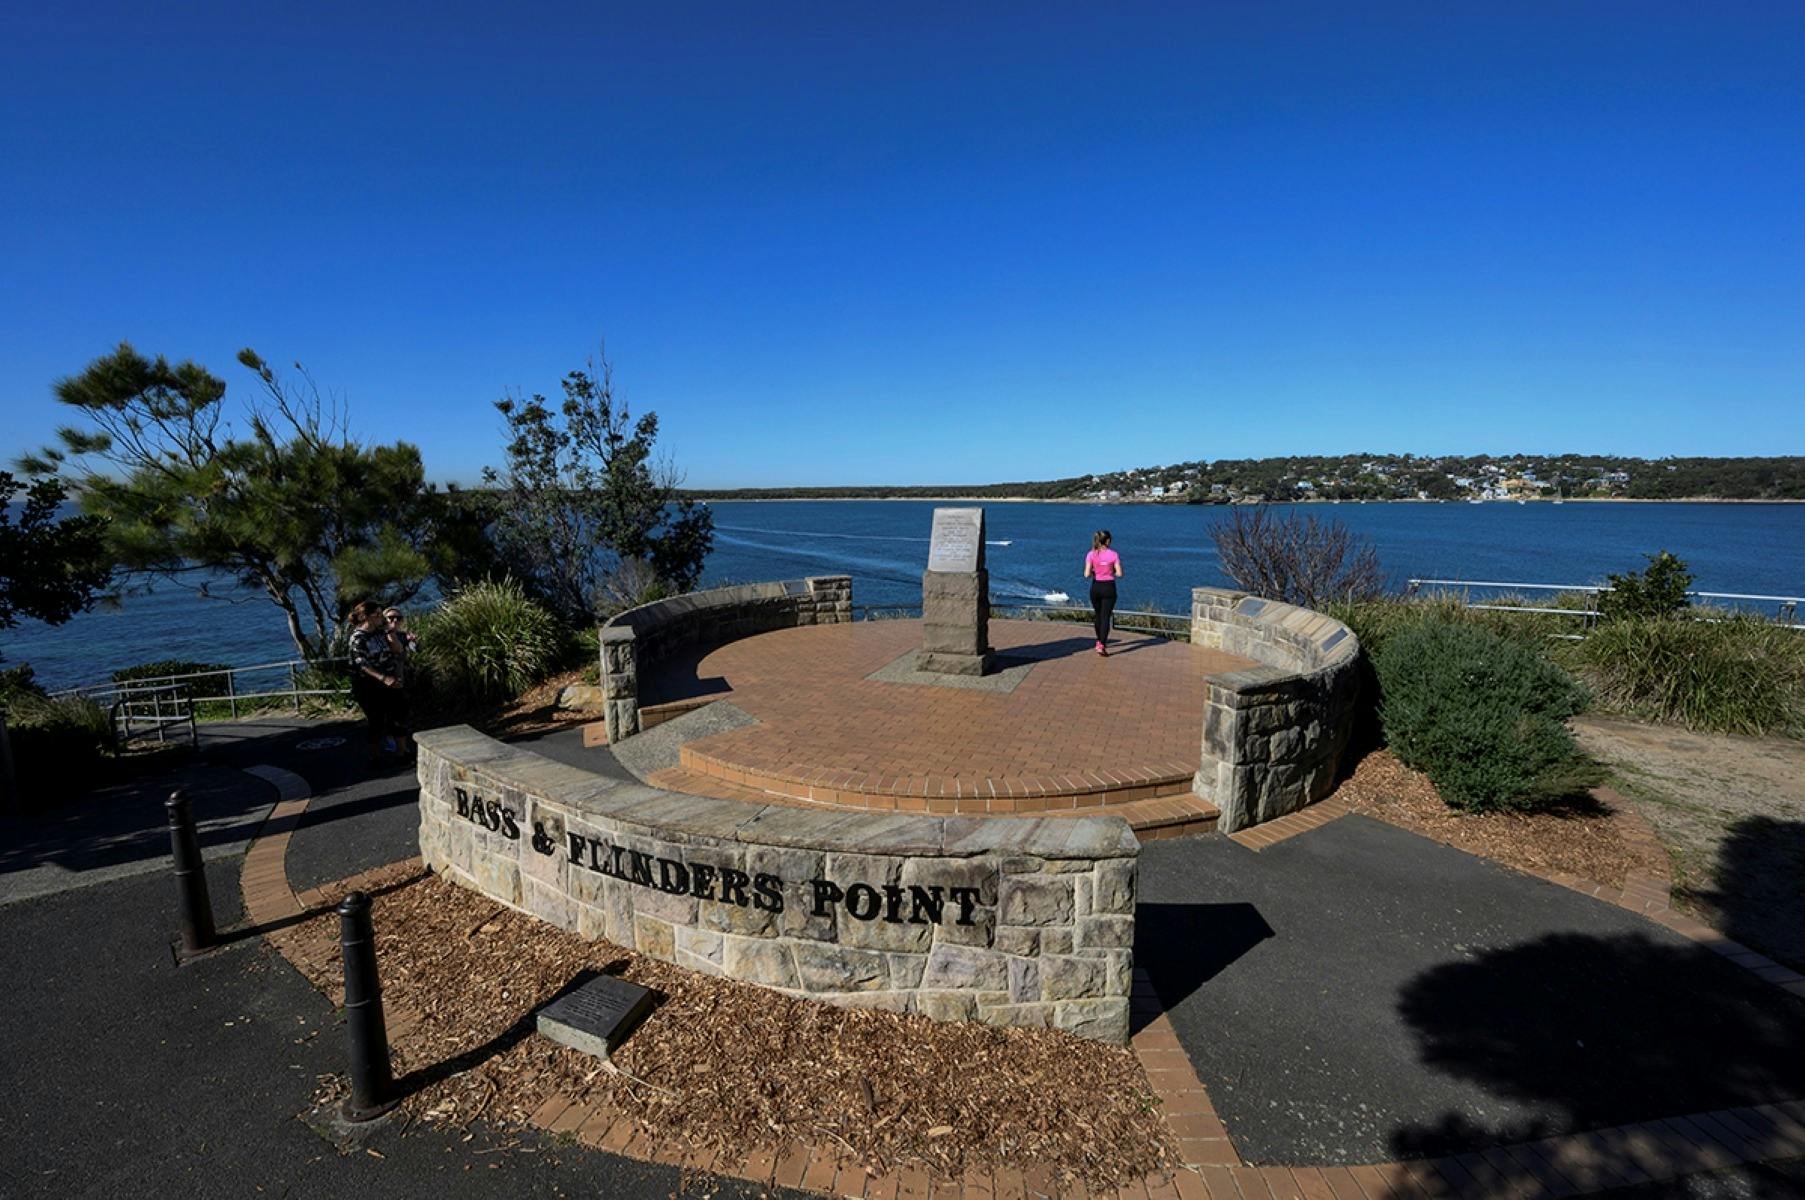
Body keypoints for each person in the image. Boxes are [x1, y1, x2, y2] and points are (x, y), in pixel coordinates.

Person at [348, 600, 405, 763]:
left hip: (390, 680)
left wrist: (390, 633)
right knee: (376, 719)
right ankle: (375, 756)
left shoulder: (380, 633)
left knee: (397, 715)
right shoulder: (358, 638)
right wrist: (383, 678)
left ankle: (402, 752)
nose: (382, 618)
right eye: (378, 615)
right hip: (368, 684)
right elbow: (362, 664)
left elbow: (398, 650)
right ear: (367, 617)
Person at [1083, 530, 1122, 656]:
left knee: (1098, 615)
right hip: (1109, 587)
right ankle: (1102, 644)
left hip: (1096, 587)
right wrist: (1110, 572)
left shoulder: (1091, 554)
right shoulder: (1114, 555)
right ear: (1108, 541)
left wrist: (1096, 572)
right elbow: (1120, 574)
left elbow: (1086, 574)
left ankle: (1098, 641)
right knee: (1106, 617)